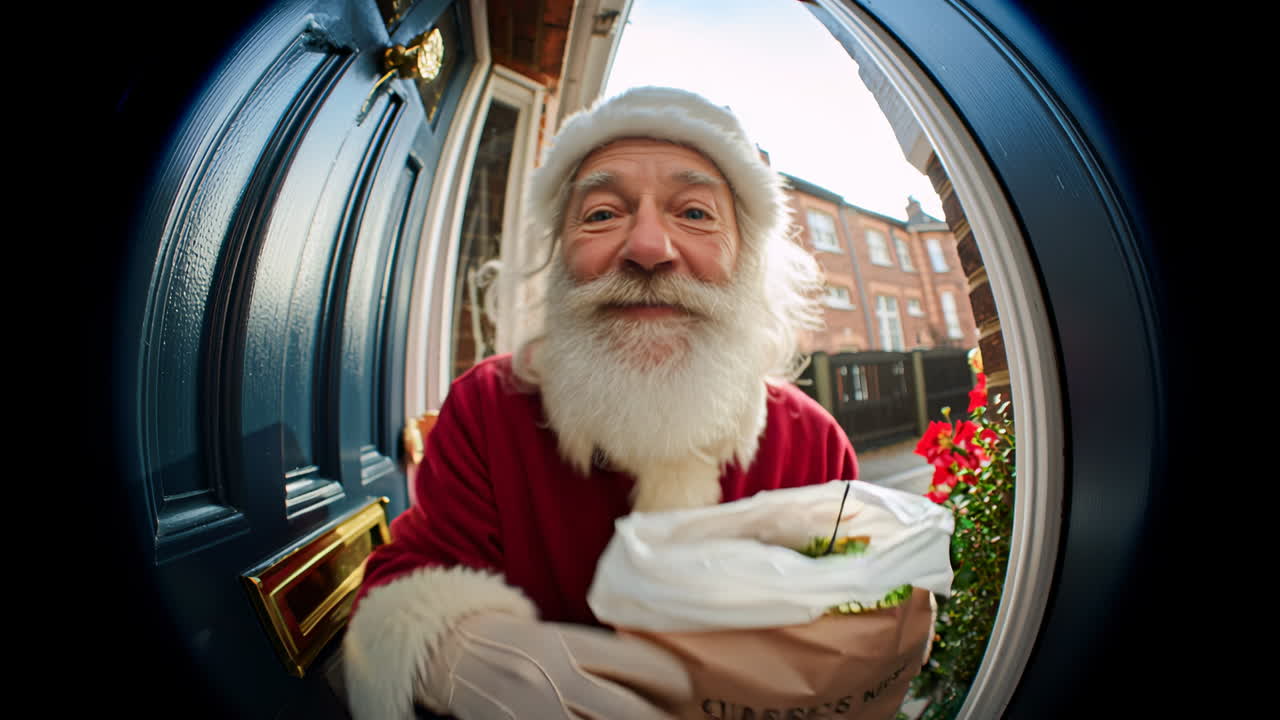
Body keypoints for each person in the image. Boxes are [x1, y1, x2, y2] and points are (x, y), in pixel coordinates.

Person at [342, 86, 859, 720]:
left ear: (745, 257)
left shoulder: (813, 442)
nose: (647, 247)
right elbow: (407, 572)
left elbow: (856, 615)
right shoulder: (486, 408)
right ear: (561, 258)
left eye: (694, 213)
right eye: (602, 214)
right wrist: (456, 652)